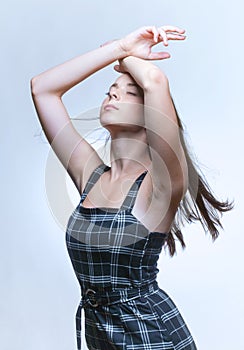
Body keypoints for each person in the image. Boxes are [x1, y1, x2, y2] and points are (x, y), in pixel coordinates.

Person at [31, 25, 233, 350]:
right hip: (101, 337)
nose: (113, 93)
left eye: (130, 92)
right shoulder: (90, 175)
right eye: (111, 88)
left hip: (152, 337)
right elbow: (42, 89)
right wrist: (118, 49)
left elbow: (155, 81)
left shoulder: (162, 184)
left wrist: (125, 55)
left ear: (153, 113)